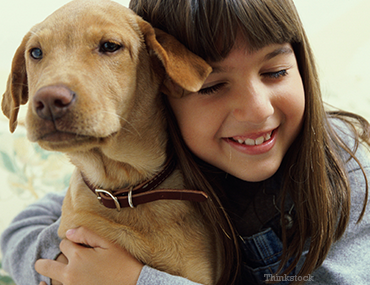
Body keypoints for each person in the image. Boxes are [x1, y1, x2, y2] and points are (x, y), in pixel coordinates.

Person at [1, 0, 369, 284]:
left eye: (275, 72)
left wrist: (135, 280)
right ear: (166, 86)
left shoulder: (347, 168)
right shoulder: (148, 159)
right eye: (210, 85)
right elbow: (19, 232)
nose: (256, 111)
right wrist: (70, 268)